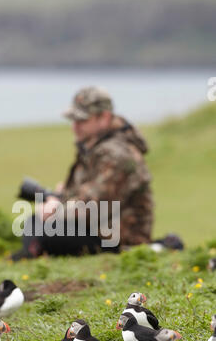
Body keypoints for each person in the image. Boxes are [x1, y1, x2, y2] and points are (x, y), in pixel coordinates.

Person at [12, 86, 154, 261]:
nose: (75, 127)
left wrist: (57, 209)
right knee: (35, 222)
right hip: (99, 228)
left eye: (82, 121)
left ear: (104, 118)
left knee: (46, 231)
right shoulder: (95, 147)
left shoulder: (117, 155)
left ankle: (30, 255)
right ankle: (32, 254)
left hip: (119, 238)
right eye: (73, 121)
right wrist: (65, 196)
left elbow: (94, 207)